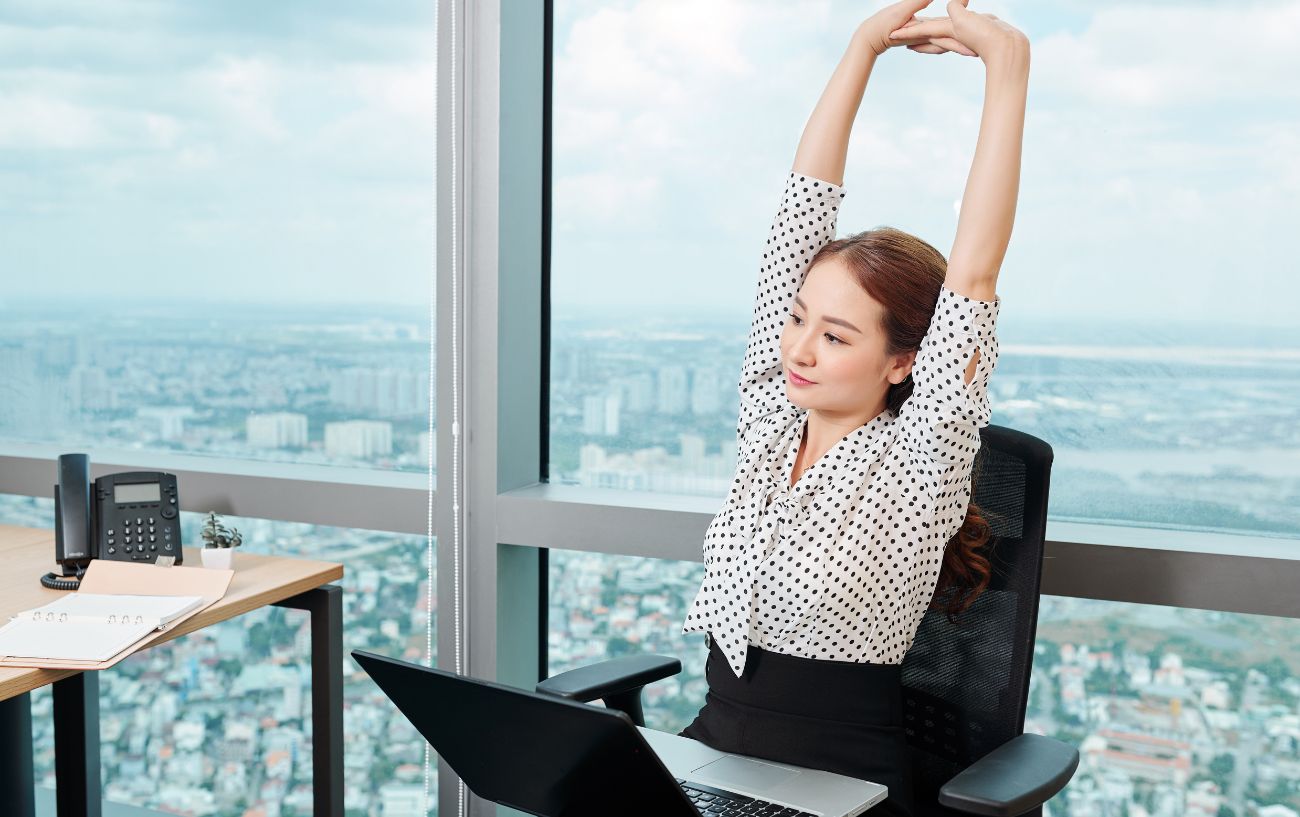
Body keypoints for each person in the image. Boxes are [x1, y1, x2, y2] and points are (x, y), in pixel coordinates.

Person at [678, 2, 1030, 814]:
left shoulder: (918, 463)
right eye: (798, 319)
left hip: (832, 787)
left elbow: (972, 277)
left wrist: (1006, 70)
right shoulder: (771, 417)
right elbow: (798, 218)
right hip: (712, 754)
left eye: (835, 336)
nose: (799, 348)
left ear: (906, 360)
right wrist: (864, 46)